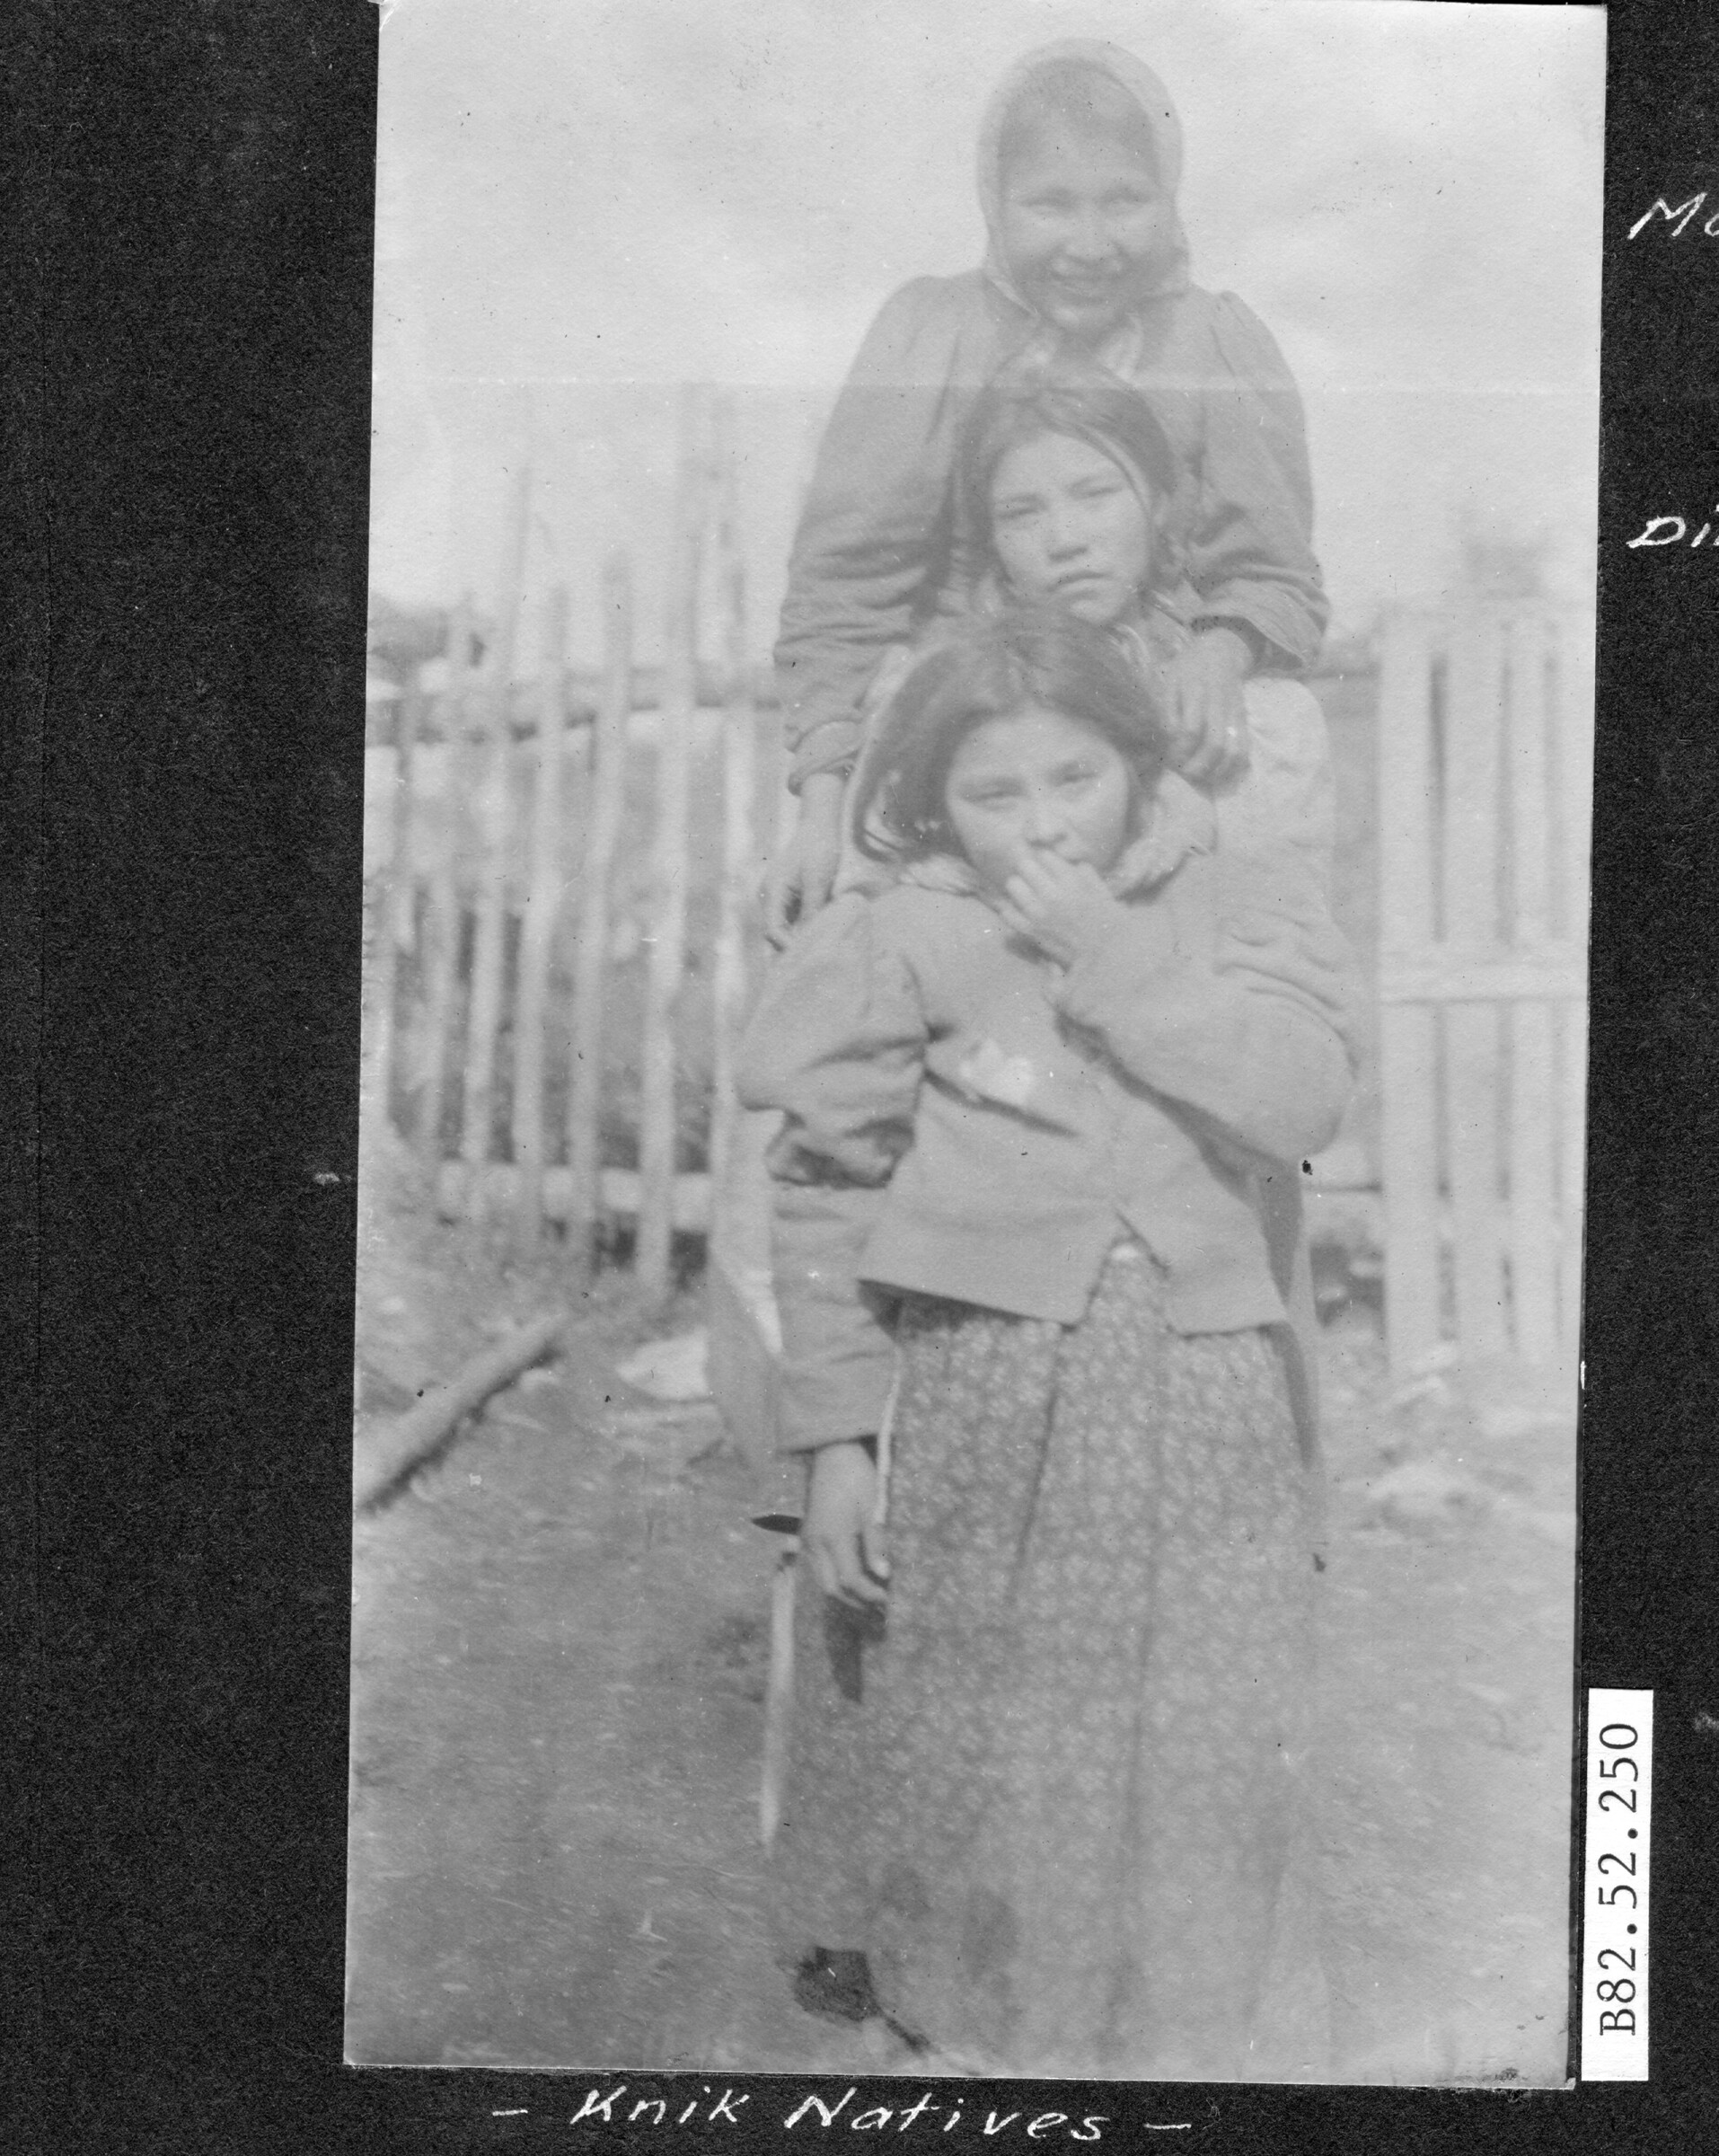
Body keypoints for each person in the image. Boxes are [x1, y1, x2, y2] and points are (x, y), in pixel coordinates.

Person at [737, 608, 1356, 2078]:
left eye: (1073, 777)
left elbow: (1295, 1102)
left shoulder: (1236, 899)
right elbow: (824, 1190)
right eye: (992, 792)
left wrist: (1112, 956)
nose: (1039, 823)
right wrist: (835, 1443)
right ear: (930, 801)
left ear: (1136, 762)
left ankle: (1158, 2048)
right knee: (966, 1710)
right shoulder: (900, 929)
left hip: (1199, 1387)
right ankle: (965, 2033)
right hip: (974, 1387)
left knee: (1188, 1723)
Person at [768, 38, 1327, 939]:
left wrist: (1219, 652)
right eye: (1051, 205)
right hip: (968, 723)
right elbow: (843, 594)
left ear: (1169, 197)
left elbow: (1275, 574)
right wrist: (819, 812)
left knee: (1265, 775)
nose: (1090, 245)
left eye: (1125, 202)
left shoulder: (1214, 342)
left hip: (1159, 707)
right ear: (995, 202)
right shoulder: (930, 336)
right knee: (887, 946)